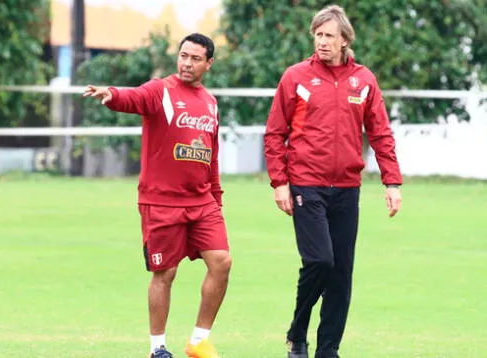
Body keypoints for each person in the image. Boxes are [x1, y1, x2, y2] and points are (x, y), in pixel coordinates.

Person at [264, 5, 403, 358]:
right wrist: (280, 182)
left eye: (329, 35)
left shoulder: (364, 80)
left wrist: (392, 182)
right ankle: (297, 333)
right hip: (305, 185)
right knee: (320, 262)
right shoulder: (295, 77)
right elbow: (274, 133)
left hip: (346, 189)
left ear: (344, 40)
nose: (322, 42)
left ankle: (328, 350)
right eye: (318, 35)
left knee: (341, 274)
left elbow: (381, 134)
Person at [83, 33, 231, 358]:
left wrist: (216, 200)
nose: (187, 63)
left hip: (202, 202)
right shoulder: (161, 90)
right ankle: (157, 348)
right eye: (183, 56)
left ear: (209, 63)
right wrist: (112, 93)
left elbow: (212, 155)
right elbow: (134, 98)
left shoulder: (210, 102)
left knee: (221, 262)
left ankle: (198, 341)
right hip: (162, 202)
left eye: (195, 58)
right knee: (165, 273)